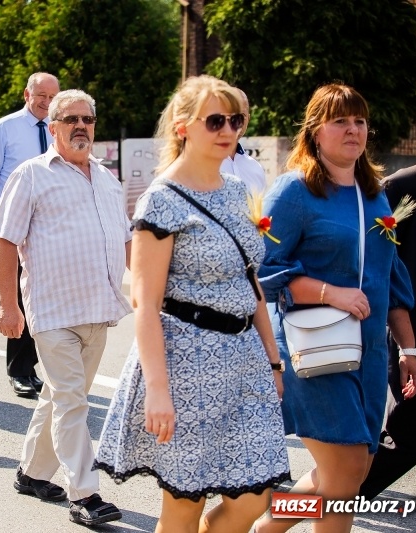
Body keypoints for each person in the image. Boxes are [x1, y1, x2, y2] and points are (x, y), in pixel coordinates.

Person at [94, 75, 289, 533]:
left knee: (254, 497)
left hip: (245, 363)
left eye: (236, 120)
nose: (228, 130)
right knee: (184, 504)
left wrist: (274, 360)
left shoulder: (239, 192)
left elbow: (251, 281)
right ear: (183, 126)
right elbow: (145, 303)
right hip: (186, 366)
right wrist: (158, 390)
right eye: (216, 120)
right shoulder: (160, 201)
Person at [255, 83, 416, 533]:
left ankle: (268, 526)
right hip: (315, 352)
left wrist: (409, 349)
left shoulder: (376, 194)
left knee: (351, 473)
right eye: (340, 121)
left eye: (360, 121)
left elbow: (392, 275)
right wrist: (331, 292)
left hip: (369, 357)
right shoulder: (294, 191)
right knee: (345, 471)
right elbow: (263, 270)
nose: (353, 130)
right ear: (315, 131)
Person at [0, 89, 131, 527]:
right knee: (73, 402)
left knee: (60, 396)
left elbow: (127, 241)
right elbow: (5, 240)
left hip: (99, 310)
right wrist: (8, 307)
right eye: (70, 119)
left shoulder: (108, 179)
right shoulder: (31, 175)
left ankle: (31, 473)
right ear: (52, 128)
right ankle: (85, 493)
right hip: (53, 312)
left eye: (87, 119)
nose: (80, 126)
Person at [359, 112, 416, 533]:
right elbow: (379, 270)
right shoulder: (401, 189)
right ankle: (298, 514)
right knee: (403, 440)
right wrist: (406, 346)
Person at [0, 72, 60, 398]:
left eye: (53, 97)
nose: (47, 102)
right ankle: (18, 371)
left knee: (43, 300)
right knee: (18, 300)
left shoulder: (60, 129)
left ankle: (33, 367)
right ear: (27, 94)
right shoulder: (5, 127)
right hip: (15, 228)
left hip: (50, 228)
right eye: (41, 95)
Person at [219, 88, 266, 192]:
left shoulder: (256, 169)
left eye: (242, 116)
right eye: (231, 115)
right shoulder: (205, 165)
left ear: (248, 119)